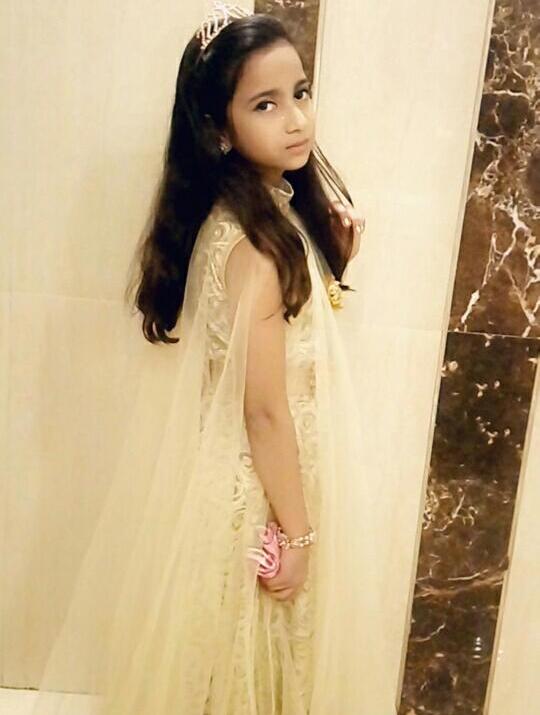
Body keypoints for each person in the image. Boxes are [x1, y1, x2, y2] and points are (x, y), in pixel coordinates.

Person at [29, 3, 395, 713]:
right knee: (250, 670)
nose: (296, 119)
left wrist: (333, 264)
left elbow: (279, 347)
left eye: (301, 92)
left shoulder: (256, 219)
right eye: (265, 104)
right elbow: (263, 409)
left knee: (241, 670)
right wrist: (299, 533)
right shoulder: (257, 244)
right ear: (218, 128)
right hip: (263, 492)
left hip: (260, 476)